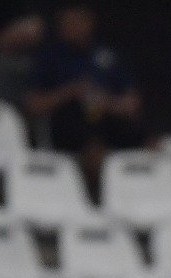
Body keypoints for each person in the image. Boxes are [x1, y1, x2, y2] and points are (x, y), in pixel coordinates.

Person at [25, 2, 150, 188]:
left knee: (148, 141)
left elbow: (132, 103)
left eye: (77, 21)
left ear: (89, 22)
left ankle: (150, 192)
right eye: (67, 22)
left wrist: (105, 101)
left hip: (107, 118)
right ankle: (99, 198)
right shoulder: (49, 58)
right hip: (69, 124)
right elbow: (33, 105)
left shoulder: (107, 55)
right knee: (92, 148)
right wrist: (71, 91)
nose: (72, 27)